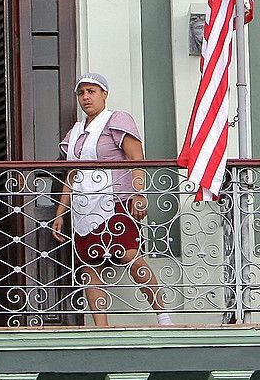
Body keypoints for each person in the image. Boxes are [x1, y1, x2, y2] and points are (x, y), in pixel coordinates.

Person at [50, 73, 173, 326]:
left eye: (91, 91)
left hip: (115, 200)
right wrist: (60, 214)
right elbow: (71, 175)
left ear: (104, 94)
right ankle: (100, 326)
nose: (86, 97)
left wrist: (139, 193)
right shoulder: (75, 132)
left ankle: (163, 314)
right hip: (84, 206)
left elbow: (136, 159)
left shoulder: (117, 120)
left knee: (129, 254)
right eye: (82, 93)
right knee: (87, 264)